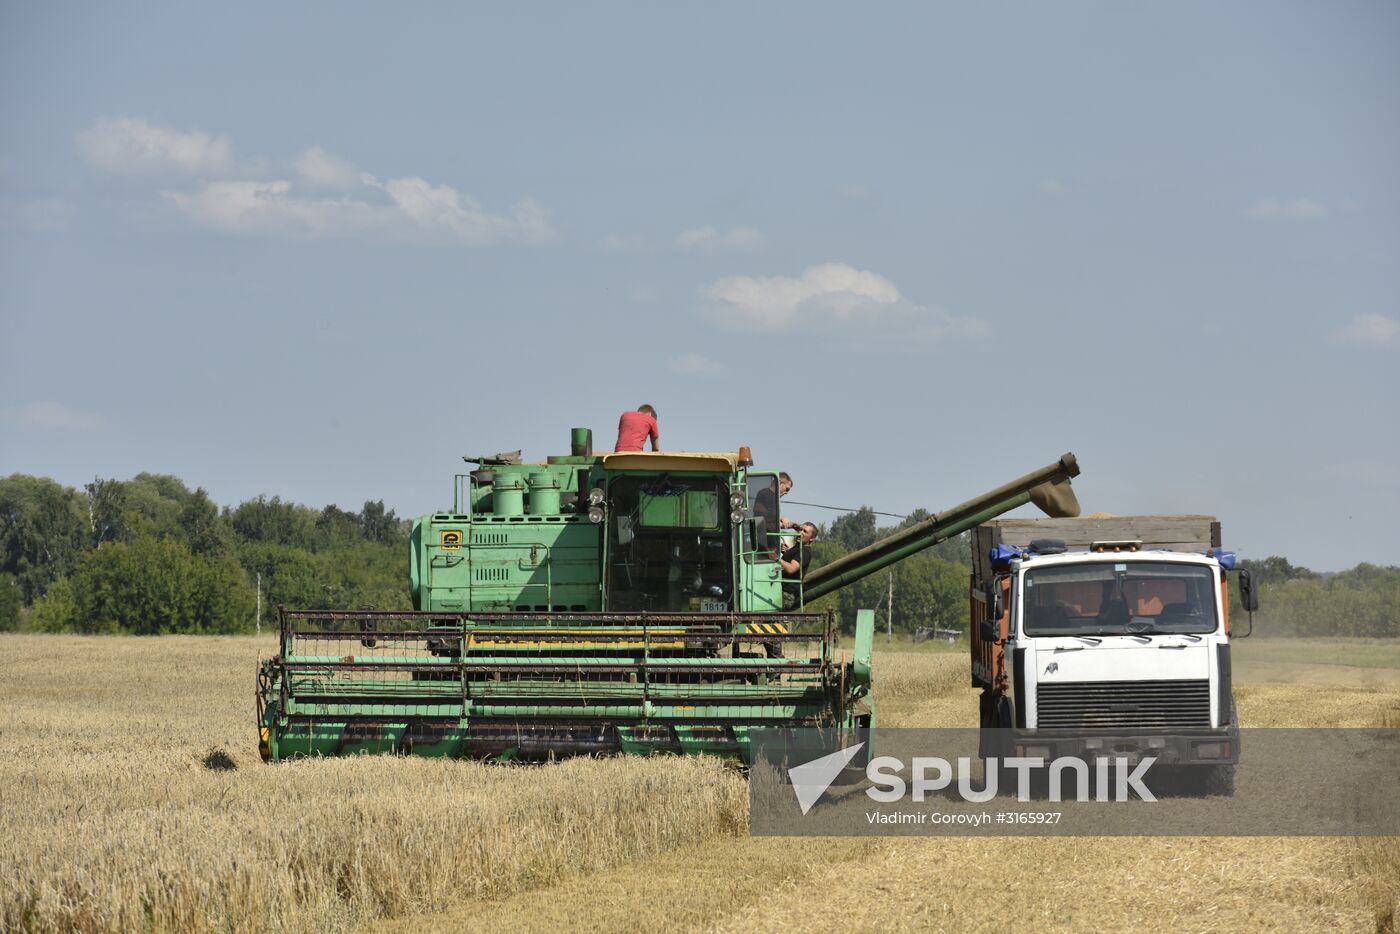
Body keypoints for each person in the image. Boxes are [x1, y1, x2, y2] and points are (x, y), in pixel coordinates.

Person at [781, 521, 818, 610]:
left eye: (805, 532)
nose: (800, 532)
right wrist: (786, 553)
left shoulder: (804, 551)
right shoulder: (798, 548)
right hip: (782, 589)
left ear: (812, 538)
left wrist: (776, 558)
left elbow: (791, 569)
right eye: (800, 530)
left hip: (786, 593)